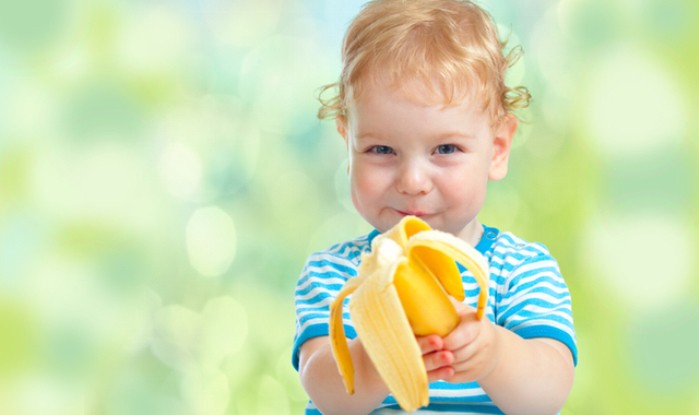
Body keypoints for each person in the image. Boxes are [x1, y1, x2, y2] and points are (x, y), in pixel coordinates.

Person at [292, 0, 577, 413]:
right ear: (347, 145)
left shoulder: (521, 271)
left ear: (496, 149)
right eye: (381, 149)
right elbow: (328, 395)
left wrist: (494, 353)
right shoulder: (337, 276)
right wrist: (381, 352)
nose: (412, 182)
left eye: (445, 148)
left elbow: (547, 396)